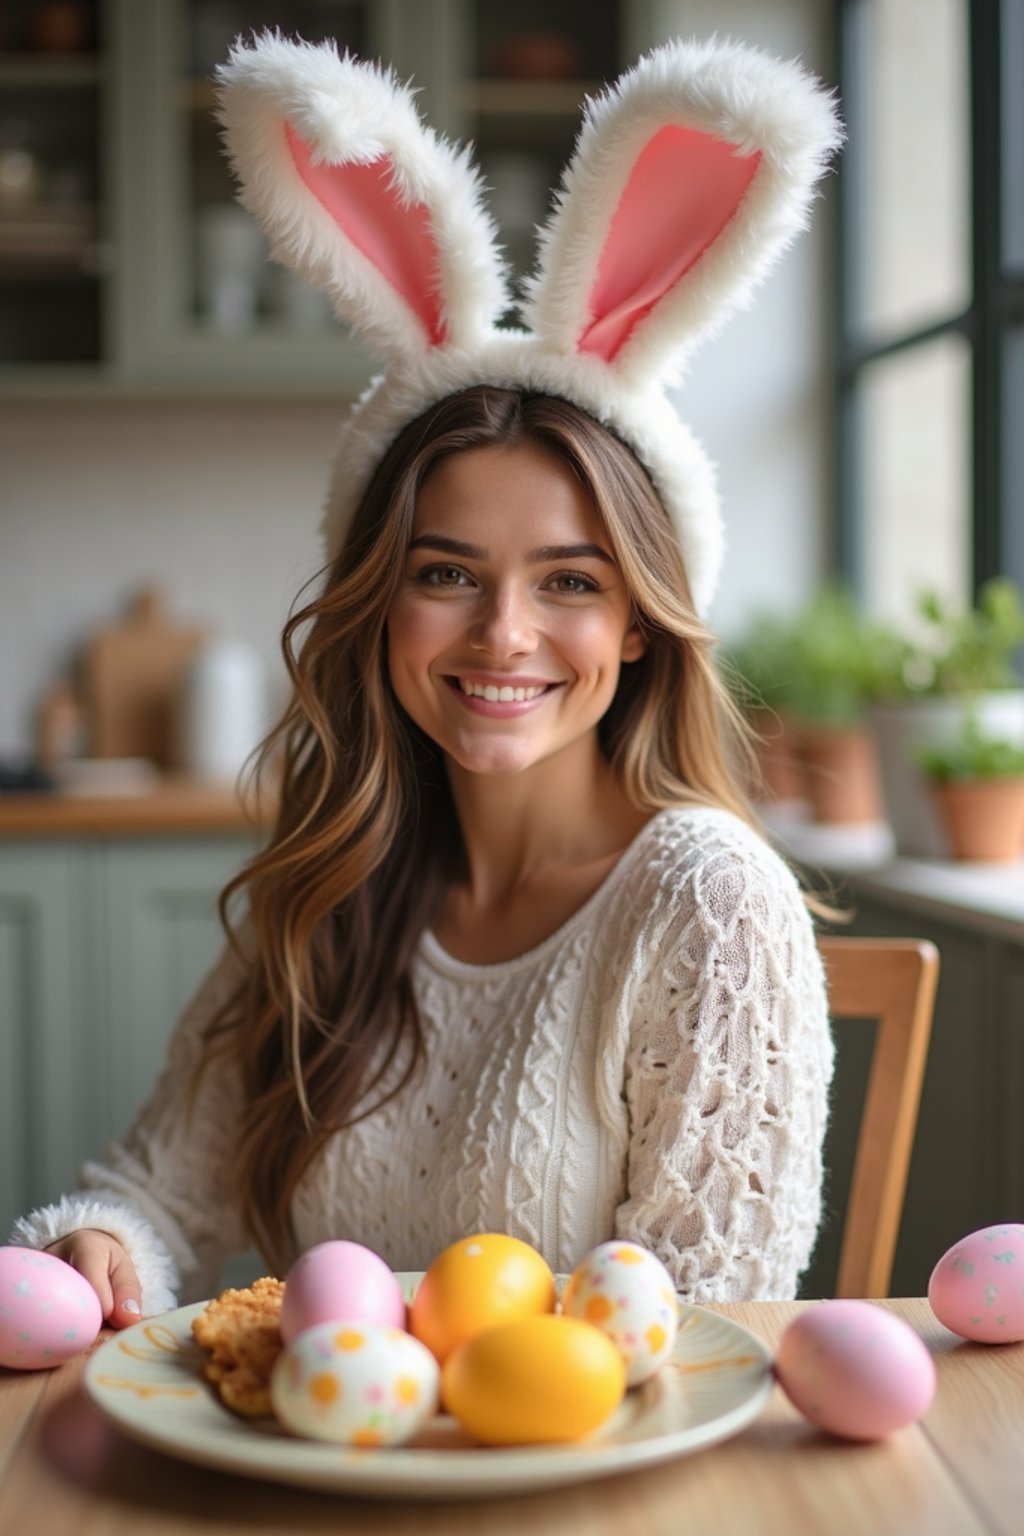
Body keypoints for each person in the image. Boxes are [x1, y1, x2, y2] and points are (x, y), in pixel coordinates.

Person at [8, 33, 842, 1326]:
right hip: (319, 1480)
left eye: (570, 581)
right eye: (446, 573)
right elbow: (159, 1195)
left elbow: (710, 1336)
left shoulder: (709, 904)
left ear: (639, 627)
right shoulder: (335, 883)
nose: (503, 634)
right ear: (376, 602)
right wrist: (102, 1249)